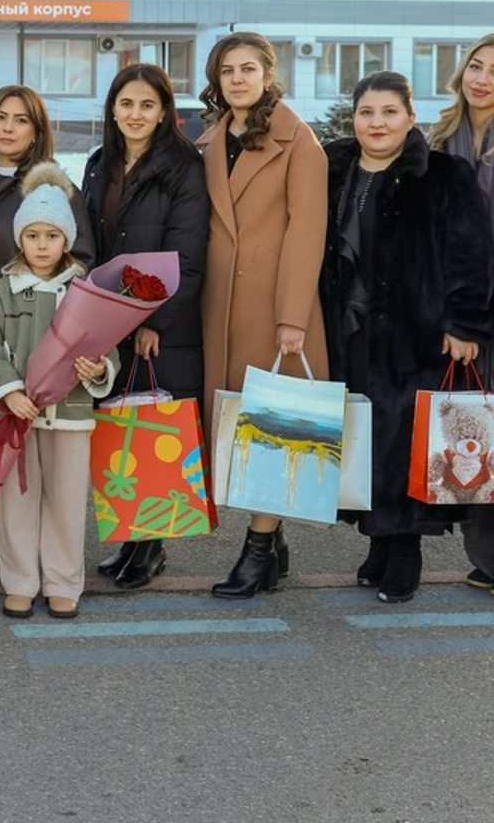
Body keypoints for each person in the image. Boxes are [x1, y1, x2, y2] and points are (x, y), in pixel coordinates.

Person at [321, 72, 491, 602]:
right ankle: (377, 538)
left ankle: (406, 551)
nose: (377, 123)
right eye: (367, 112)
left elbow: (472, 253)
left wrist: (465, 324)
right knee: (364, 436)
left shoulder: (444, 174)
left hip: (416, 332)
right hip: (349, 329)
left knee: (405, 441)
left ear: (411, 118)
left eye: (389, 112)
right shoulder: (333, 170)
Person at [198, 32, 329, 598]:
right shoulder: (208, 139)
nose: (237, 79)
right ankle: (271, 547)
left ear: (269, 73)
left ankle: (257, 550)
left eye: (248, 68)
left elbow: (307, 232)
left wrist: (293, 316)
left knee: (270, 428)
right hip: (217, 305)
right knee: (236, 429)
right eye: (227, 70)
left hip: (274, 307)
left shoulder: (299, 142)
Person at [0, 85, 94, 595]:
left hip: (37, 330)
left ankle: (44, 574)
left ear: (38, 130)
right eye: (0, 117)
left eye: (21, 120)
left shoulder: (49, 189)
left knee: (42, 472)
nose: (9, 128)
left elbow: (84, 264)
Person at [81, 63, 208, 589]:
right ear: (113, 108)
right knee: (118, 426)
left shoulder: (183, 165)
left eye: (147, 106)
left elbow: (189, 251)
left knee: (153, 427)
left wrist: (154, 319)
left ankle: (149, 546)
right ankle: (132, 538)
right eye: (127, 104)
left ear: (164, 113)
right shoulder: (98, 162)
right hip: (105, 317)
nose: (136, 115)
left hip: (159, 323)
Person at [0, 164, 118, 619]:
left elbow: (108, 347)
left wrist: (98, 370)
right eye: (32, 235)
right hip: (18, 417)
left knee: (67, 504)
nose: (41, 245)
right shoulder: (3, 290)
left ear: (67, 239)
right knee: (17, 503)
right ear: (20, 238)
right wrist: (8, 391)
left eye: (51, 235)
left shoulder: (84, 290)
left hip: (71, 418)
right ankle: (18, 581)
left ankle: (62, 582)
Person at [427, 34, 494, 590]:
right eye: (476, 65)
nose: (483, 78)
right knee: (472, 433)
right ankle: (486, 557)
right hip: (460, 306)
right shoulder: (443, 136)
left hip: (485, 304)